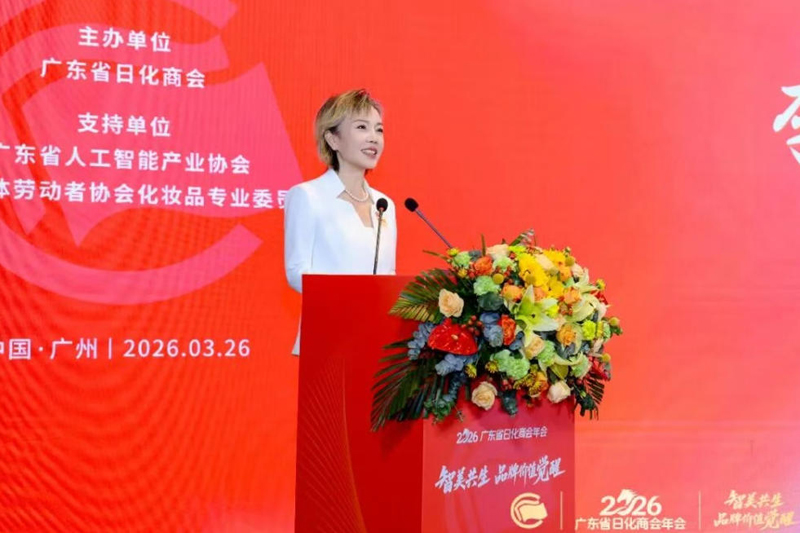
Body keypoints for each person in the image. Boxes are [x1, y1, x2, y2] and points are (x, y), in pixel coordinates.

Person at [284, 89, 397, 355]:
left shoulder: (385, 205)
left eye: (379, 129)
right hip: (328, 333)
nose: (373, 137)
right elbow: (296, 272)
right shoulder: (308, 196)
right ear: (333, 139)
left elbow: (388, 274)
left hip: (378, 337)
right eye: (361, 127)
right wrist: (349, 295)